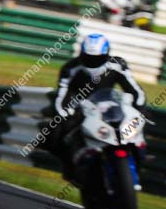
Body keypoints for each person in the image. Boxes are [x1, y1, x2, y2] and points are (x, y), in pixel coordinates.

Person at [48, 33, 147, 181]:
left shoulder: (117, 65)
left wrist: (139, 108)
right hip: (82, 110)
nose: (92, 62)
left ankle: (139, 156)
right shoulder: (70, 68)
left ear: (106, 55)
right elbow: (62, 97)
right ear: (81, 54)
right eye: (89, 58)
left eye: (97, 58)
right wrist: (65, 115)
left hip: (110, 107)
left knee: (138, 124)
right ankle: (71, 170)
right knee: (59, 134)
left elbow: (135, 91)